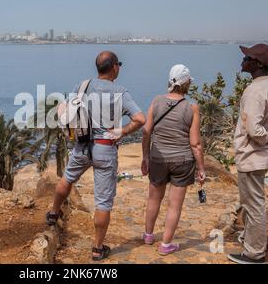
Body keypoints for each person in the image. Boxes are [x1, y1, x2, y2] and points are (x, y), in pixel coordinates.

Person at [46, 51, 146, 261]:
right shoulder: (120, 91)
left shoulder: (82, 86)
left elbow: (64, 108)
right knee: (103, 202)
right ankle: (97, 248)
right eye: (119, 64)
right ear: (114, 67)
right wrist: (123, 131)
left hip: (81, 146)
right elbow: (140, 118)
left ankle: (53, 213)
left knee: (67, 178)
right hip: (105, 149)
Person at [141, 64, 205, 256]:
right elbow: (195, 144)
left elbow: (146, 132)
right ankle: (166, 244)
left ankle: (148, 235)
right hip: (182, 161)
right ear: (187, 84)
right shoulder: (192, 107)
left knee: (154, 199)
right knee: (174, 205)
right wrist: (201, 168)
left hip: (158, 158)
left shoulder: (157, 101)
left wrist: (146, 156)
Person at [228, 44, 268, 264]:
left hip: (252, 154)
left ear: (258, 63)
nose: (243, 61)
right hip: (263, 155)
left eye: (247, 58)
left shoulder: (255, 91)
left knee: (254, 205)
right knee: (251, 201)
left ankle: (254, 253)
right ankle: (252, 238)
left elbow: (254, 129)